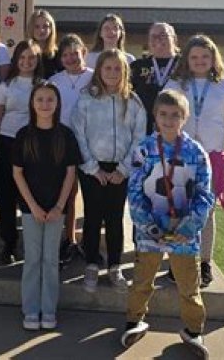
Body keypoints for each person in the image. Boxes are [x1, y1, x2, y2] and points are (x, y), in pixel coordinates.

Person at [120, 90, 213, 357]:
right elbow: (134, 191)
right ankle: (134, 321)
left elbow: (205, 194)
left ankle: (194, 330)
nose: (169, 120)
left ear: (185, 118)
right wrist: (148, 225)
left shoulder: (196, 152)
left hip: (184, 234)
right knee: (142, 281)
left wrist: (188, 227)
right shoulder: (144, 149)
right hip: (150, 233)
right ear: (155, 116)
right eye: (163, 114)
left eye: (175, 115)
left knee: (188, 286)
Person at [165, 34, 224, 287]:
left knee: (205, 213)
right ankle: (178, 262)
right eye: (194, 57)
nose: (200, 61)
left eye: (205, 56)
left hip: (211, 160)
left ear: (213, 58)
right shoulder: (176, 84)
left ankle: (205, 263)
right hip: (180, 157)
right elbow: (163, 119)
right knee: (178, 210)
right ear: (186, 59)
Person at [71, 49, 146, 293]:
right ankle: (91, 264)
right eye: (107, 68)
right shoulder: (86, 99)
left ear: (125, 72)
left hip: (120, 169)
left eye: (117, 68)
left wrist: (124, 169)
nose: (112, 73)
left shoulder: (133, 101)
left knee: (115, 218)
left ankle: (115, 266)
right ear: (99, 71)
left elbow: (139, 137)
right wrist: (92, 168)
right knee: (93, 216)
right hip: (93, 168)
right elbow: (78, 134)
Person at [12, 82, 80, 331]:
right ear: (32, 103)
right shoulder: (24, 135)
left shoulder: (65, 135)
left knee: (51, 259)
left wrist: (59, 206)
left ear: (58, 103)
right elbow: (17, 173)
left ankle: (48, 309)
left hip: (56, 209)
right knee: (32, 259)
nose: (44, 104)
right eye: (39, 99)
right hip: (31, 208)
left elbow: (70, 173)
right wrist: (32, 206)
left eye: (50, 99)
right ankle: (31, 309)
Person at [0, 39, 44, 264]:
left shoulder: (44, 85)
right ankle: (9, 243)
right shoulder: (6, 86)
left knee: (31, 195)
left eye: (31, 58)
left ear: (38, 60)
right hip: (7, 143)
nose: (26, 62)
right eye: (22, 57)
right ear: (16, 60)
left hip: (34, 145)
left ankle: (32, 244)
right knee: (5, 196)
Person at [48, 33, 93, 264]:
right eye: (65, 55)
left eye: (74, 53)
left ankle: (89, 242)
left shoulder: (95, 78)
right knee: (67, 192)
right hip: (62, 142)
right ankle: (69, 239)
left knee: (91, 193)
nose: (70, 58)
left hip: (91, 142)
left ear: (83, 52)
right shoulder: (54, 81)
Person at [130, 22, 180, 134]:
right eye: (153, 36)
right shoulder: (137, 66)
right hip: (144, 130)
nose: (157, 39)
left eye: (162, 35)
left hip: (177, 129)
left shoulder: (184, 65)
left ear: (174, 39)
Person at [27, 9, 60, 78]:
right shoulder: (23, 52)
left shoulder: (59, 55)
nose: (41, 30)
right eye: (37, 27)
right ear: (31, 28)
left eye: (45, 26)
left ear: (51, 29)